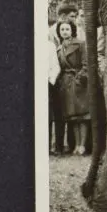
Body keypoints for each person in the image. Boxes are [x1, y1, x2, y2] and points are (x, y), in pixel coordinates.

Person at [54, 19, 91, 155]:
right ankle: (76, 145)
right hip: (66, 84)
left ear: (72, 30)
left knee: (83, 116)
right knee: (73, 117)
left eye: (67, 29)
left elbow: (86, 64)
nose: (65, 32)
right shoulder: (59, 47)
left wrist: (80, 79)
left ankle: (82, 146)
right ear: (59, 31)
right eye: (62, 29)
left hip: (79, 83)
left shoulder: (80, 44)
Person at [47, 20, 65, 154]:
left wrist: (51, 80)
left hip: (49, 84)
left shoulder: (50, 46)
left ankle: (58, 147)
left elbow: (56, 66)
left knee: (54, 115)